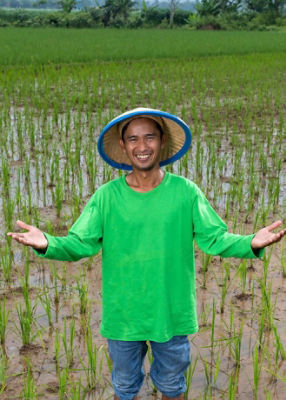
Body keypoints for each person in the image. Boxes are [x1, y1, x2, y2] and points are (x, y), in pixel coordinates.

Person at [7, 108, 286, 400]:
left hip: (171, 313)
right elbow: (79, 244)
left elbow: (213, 239)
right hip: (123, 316)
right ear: (125, 146)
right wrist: (47, 243)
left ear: (162, 141)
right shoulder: (107, 196)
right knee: (124, 388)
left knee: (172, 387)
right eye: (133, 139)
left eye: (149, 137)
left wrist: (251, 242)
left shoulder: (185, 192)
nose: (142, 147)